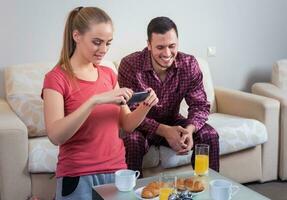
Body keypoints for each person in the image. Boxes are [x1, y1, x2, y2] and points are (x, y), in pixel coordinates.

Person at [42, 7, 158, 200]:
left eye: (108, 43)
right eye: (97, 42)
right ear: (76, 36)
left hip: (117, 171)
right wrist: (94, 101)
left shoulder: (108, 74)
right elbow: (55, 135)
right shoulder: (56, 79)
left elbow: (127, 124)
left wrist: (146, 105)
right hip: (78, 174)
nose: (103, 50)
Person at [118, 16, 220, 175]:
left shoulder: (189, 64)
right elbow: (129, 113)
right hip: (141, 124)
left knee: (209, 135)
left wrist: (189, 131)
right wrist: (165, 131)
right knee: (132, 141)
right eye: (160, 47)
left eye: (172, 46)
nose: (167, 53)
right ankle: (132, 194)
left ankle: (206, 188)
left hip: (173, 119)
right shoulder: (130, 65)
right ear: (149, 45)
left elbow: (199, 105)